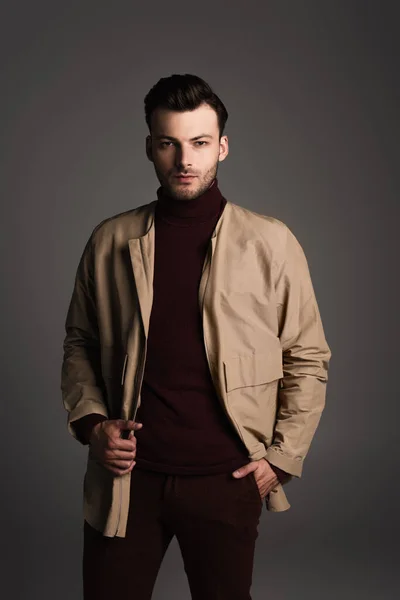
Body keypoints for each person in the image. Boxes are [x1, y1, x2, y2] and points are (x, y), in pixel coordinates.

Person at [61, 73, 332, 600]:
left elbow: (307, 356)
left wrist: (280, 459)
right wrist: (94, 425)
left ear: (222, 147)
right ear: (150, 148)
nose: (185, 159)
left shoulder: (271, 243)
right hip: (128, 479)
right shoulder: (111, 240)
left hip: (226, 480)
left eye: (200, 143)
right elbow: (80, 343)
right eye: (169, 143)